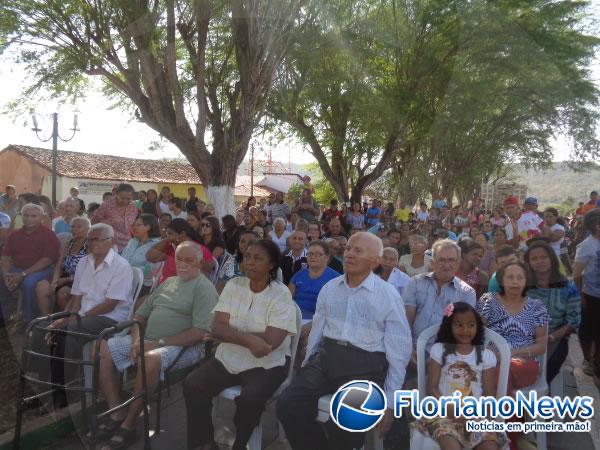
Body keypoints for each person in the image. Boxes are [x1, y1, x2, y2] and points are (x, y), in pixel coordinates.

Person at [277, 232, 412, 450]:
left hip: (366, 366)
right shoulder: (330, 288)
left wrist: (390, 399)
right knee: (288, 405)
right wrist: (306, 367)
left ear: (375, 261)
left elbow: (399, 347)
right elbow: (317, 332)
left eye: (358, 251)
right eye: (348, 248)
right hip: (326, 359)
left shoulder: (387, 295)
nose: (349, 254)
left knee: (346, 421)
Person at [97, 242, 219, 448]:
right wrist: (137, 340)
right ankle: (116, 411)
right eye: (179, 259)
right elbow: (140, 315)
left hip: (183, 347)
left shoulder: (204, 288)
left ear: (199, 262)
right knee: (102, 347)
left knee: (150, 360)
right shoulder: (169, 282)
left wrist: (156, 343)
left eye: (189, 260)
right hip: (147, 340)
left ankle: (129, 424)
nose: (182, 264)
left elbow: (199, 333)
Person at [183, 240, 298, 450]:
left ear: (271, 265)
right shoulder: (234, 286)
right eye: (247, 257)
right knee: (193, 384)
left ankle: (241, 442)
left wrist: (229, 334)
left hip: (268, 363)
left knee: (250, 399)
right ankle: (205, 442)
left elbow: (272, 341)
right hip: (229, 356)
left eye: (257, 258)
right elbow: (217, 327)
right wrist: (250, 339)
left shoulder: (280, 294)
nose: (249, 263)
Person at [32, 223, 133, 406]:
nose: (91, 243)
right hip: (84, 314)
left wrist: (73, 318)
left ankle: (60, 392)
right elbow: (76, 297)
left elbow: (109, 305)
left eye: (97, 239)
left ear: (111, 242)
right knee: (40, 328)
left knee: (68, 331)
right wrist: (65, 315)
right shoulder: (84, 262)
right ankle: (43, 387)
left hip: (110, 318)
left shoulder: (121, 266)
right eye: (89, 239)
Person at [415, 302, 505, 450]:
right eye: (458, 325)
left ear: (478, 327)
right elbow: (431, 387)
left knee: (490, 446)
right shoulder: (439, 350)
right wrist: (449, 409)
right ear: (449, 326)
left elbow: (489, 393)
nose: (465, 330)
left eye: (471, 325)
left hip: (476, 416)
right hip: (443, 415)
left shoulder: (486, 355)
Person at [477, 262, 549, 394]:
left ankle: (497, 411)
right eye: (510, 277)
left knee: (499, 371)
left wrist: (509, 353)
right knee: (495, 371)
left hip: (523, 362)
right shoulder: (488, 301)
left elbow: (541, 346)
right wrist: (490, 353)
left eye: (520, 278)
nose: (515, 282)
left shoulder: (537, 307)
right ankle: (510, 412)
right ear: (501, 280)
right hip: (490, 359)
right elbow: (477, 334)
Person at [404, 239, 477, 350]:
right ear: (432, 262)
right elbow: (406, 320)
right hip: (412, 347)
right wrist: (408, 348)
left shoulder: (467, 292)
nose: (446, 265)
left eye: (451, 260)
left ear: (458, 263)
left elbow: (463, 331)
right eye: (441, 260)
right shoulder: (415, 282)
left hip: (445, 353)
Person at [525, 240, 580, 382]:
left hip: (554, 339)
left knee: (545, 372)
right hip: (522, 337)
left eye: (544, 257)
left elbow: (573, 321)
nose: (539, 261)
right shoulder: (523, 285)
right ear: (528, 263)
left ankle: (541, 395)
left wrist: (549, 338)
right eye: (534, 258)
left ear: (552, 259)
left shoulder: (568, 287)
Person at [0, 203, 60, 325]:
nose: (29, 218)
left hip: (43, 270)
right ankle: (4, 318)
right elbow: (6, 256)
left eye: (34, 216)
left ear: (41, 217)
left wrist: (22, 274)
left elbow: (47, 260)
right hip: (18, 268)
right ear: (21, 216)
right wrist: (6, 274)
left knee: (29, 282)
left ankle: (30, 321)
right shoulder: (15, 234)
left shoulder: (49, 235)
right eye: (26, 215)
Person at [36, 216, 90, 316]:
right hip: (63, 278)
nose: (74, 229)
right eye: (73, 226)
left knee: (63, 293)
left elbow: (89, 272)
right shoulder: (67, 244)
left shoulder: (90, 246)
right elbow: (59, 265)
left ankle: (65, 323)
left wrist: (66, 280)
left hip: (80, 281)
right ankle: (47, 320)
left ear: (88, 229)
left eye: (79, 227)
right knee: (42, 286)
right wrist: (55, 281)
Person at [573, 209, 600, 378]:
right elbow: (576, 274)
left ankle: (597, 360)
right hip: (591, 295)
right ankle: (587, 359)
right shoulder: (587, 246)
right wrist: (580, 295)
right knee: (588, 330)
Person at [146, 219, 214, 284]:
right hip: (164, 287)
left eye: (170, 233)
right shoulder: (171, 247)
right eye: (167, 234)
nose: (167, 236)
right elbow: (150, 257)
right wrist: (166, 240)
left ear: (182, 234)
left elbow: (206, 274)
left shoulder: (200, 250)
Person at [289, 241, 339, 321]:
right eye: (310, 254)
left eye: (318, 254)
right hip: (294, 318)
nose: (313, 257)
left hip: (320, 321)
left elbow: (334, 310)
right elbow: (287, 299)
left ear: (327, 258)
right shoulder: (299, 274)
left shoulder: (335, 279)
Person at [120, 214, 162, 297]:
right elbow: (122, 260)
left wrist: (130, 272)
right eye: (134, 225)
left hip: (141, 284)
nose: (134, 227)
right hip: (122, 280)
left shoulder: (157, 245)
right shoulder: (132, 242)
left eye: (138, 225)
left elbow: (150, 270)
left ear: (148, 227)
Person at [93, 183, 138, 252]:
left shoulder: (133, 207)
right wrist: (103, 223)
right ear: (116, 194)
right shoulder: (106, 205)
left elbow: (132, 225)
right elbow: (94, 222)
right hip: (110, 245)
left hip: (127, 245)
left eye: (128, 199)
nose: (125, 201)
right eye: (122, 198)